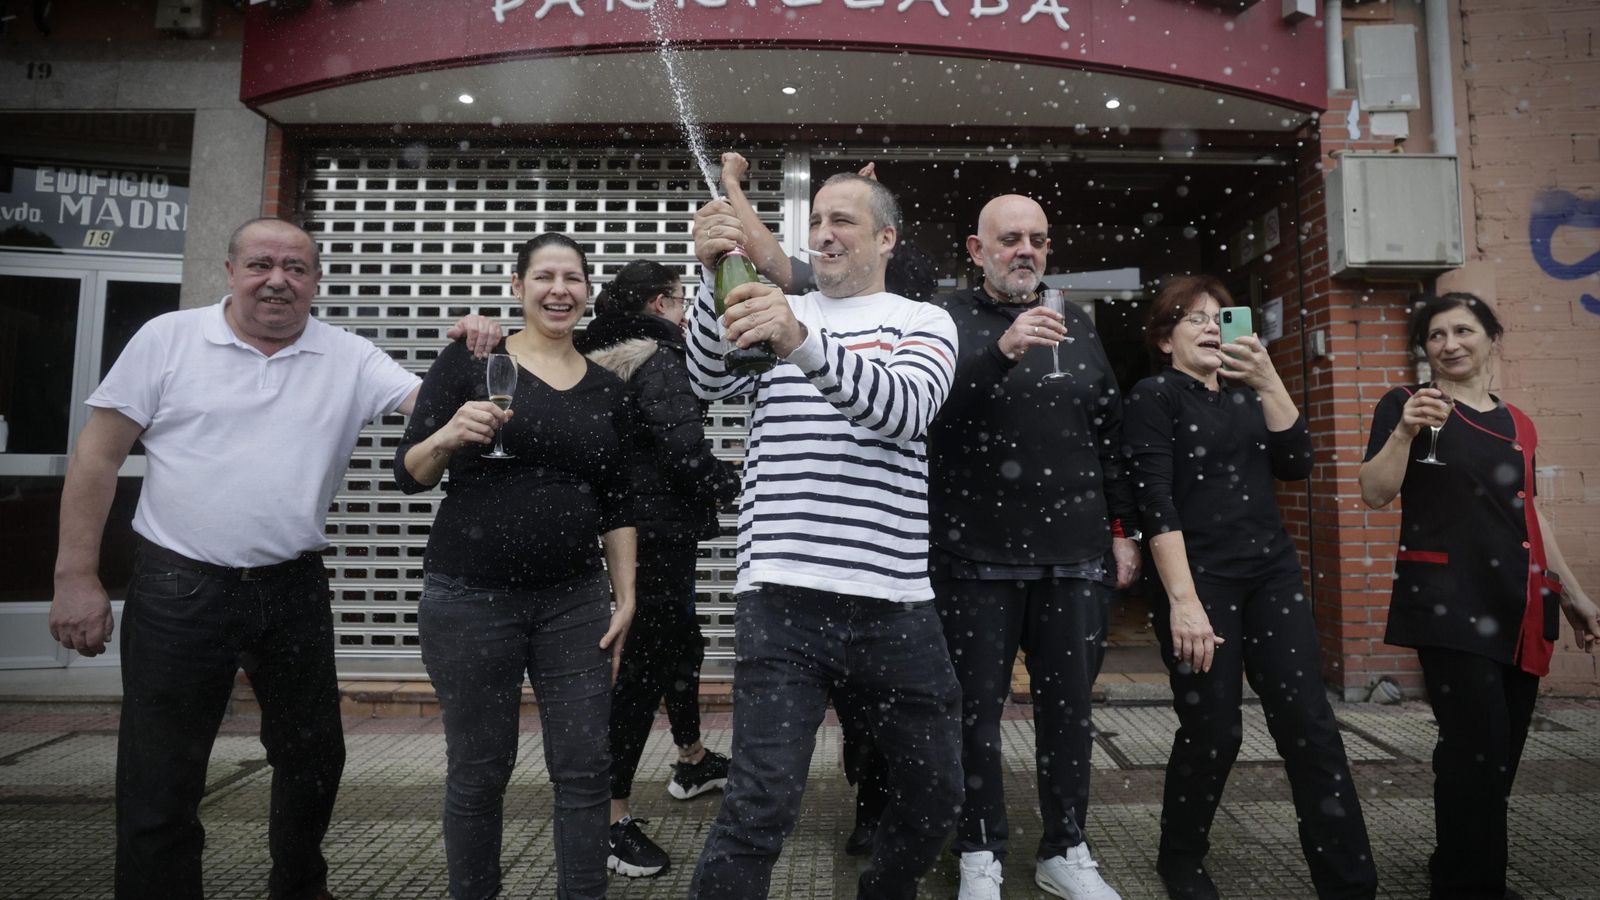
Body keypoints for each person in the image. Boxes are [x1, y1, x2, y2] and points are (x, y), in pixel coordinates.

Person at [46, 217, 496, 900]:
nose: (277, 280)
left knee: (314, 758)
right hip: (179, 587)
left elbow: (430, 410)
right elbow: (97, 456)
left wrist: (470, 347)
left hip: (292, 589)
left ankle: (299, 888)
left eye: (296, 268)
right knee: (160, 774)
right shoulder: (168, 340)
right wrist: (75, 575)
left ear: (316, 281)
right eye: (260, 264)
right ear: (229, 271)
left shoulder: (345, 354)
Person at [686, 171, 963, 900]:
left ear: (886, 239)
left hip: (894, 603)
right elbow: (707, 379)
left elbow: (901, 411)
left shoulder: (923, 321)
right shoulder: (776, 305)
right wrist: (709, 273)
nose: (825, 235)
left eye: (844, 220)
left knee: (936, 793)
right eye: (818, 223)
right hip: (782, 597)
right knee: (759, 808)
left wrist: (802, 342)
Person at [394, 232, 637, 900]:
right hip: (470, 598)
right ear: (517, 286)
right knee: (479, 770)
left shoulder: (606, 390)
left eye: (573, 278)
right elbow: (409, 472)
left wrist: (626, 598)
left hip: (574, 601)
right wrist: (447, 435)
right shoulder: (471, 361)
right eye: (544, 276)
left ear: (588, 291)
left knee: (586, 769)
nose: (559, 289)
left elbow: (618, 502)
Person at [1123, 275, 1378, 900]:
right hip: (1199, 579)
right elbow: (1155, 502)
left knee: (1309, 725)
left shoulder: (1249, 397)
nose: (1211, 327)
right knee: (1214, 730)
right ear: (1164, 339)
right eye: (1193, 318)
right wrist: (1183, 601)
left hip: (1271, 575)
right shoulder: (1154, 397)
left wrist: (1268, 379)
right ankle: (1180, 857)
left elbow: (1297, 461)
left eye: (1220, 317)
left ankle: (1349, 883)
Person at [927, 194, 1138, 900]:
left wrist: (1122, 531)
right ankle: (979, 850)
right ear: (976, 247)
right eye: (1010, 238)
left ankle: (1066, 847)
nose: (1027, 250)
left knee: (1069, 712)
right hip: (972, 555)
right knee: (974, 713)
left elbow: (1110, 434)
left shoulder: (1076, 324)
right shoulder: (945, 321)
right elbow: (928, 416)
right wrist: (1002, 349)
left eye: (1038, 240)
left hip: (1075, 556)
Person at [1357, 292, 1600, 900]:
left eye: (1463, 330)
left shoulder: (1518, 424)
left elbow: (1527, 514)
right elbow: (1375, 493)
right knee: (1476, 744)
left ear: (1492, 337)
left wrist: (1573, 595)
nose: (1450, 344)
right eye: (1436, 335)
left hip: (1515, 602)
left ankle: (1458, 863)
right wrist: (1404, 433)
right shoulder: (1406, 406)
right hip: (1446, 598)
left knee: (1502, 749)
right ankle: (1472, 884)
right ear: (1426, 349)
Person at [573, 259, 741, 879]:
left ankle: (692, 758)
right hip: (655, 537)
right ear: (659, 304)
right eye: (679, 299)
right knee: (641, 670)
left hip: (613, 529)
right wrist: (738, 482)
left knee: (678, 647)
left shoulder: (589, 352)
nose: (684, 312)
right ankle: (608, 820)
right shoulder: (657, 358)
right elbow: (682, 451)